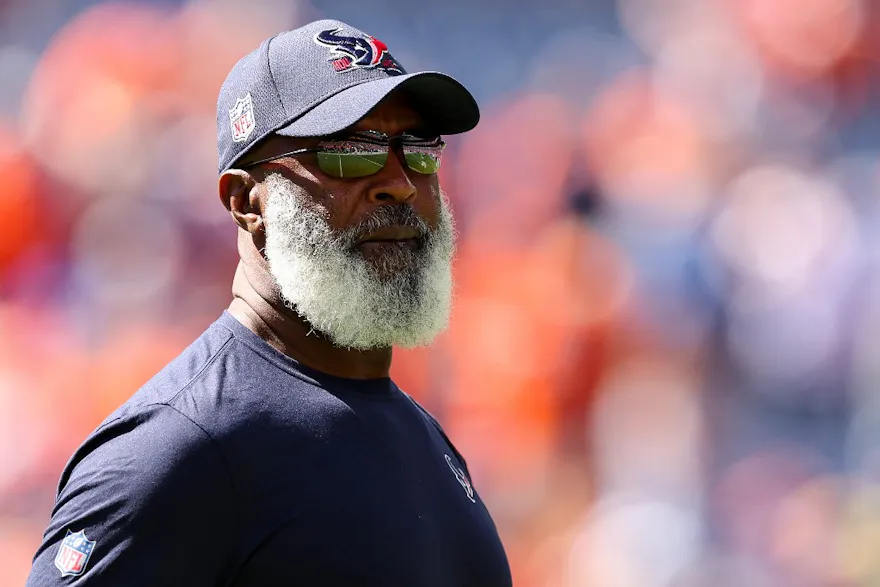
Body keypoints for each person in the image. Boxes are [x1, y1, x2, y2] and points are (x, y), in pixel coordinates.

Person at [27, 18, 512, 586]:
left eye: (418, 151)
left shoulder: (422, 435)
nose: (400, 183)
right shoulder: (176, 450)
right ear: (245, 202)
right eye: (350, 154)